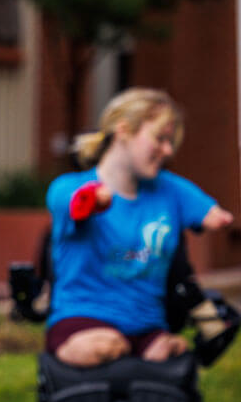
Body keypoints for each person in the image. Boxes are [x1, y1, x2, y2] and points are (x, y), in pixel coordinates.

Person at [45, 87, 234, 368]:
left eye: (170, 142)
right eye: (160, 139)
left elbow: (214, 216)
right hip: (82, 321)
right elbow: (74, 204)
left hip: (147, 329)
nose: (167, 150)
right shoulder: (68, 187)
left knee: (172, 354)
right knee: (104, 346)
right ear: (123, 131)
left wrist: (217, 217)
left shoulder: (170, 190)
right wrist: (93, 201)